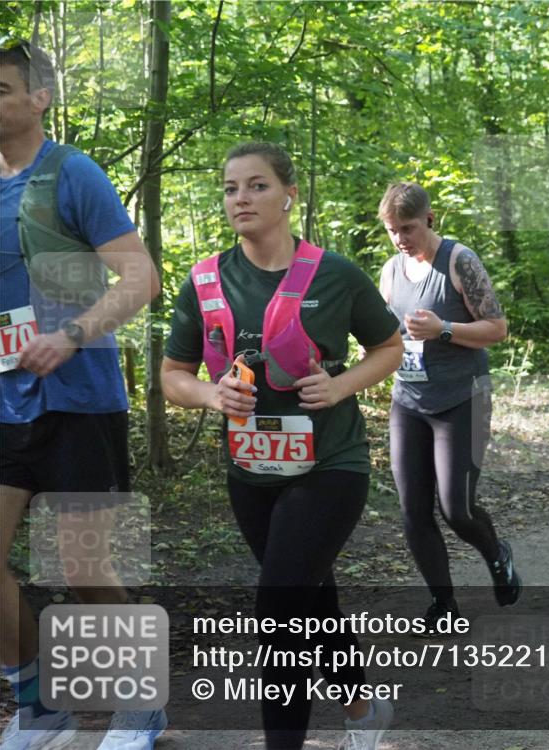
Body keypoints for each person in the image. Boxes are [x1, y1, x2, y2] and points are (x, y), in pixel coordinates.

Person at [162, 143, 402, 750]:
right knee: (309, 597)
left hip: (330, 463)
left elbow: (390, 347)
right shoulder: (206, 279)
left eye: (257, 186)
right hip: (251, 471)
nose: (240, 198)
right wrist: (211, 397)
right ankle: (360, 706)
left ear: (288, 194)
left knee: (278, 604)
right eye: (230, 188)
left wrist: (340, 384)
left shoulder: (336, 274)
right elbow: (173, 375)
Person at [0, 40, 164, 750]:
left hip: (78, 399)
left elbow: (140, 278)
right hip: (4, 403)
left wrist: (71, 334)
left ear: (40, 99)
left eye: (2, 89)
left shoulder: (72, 174)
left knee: (82, 570)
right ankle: (38, 702)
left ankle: (140, 708)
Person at [377, 182, 521, 629]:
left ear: (429, 219)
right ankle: (443, 605)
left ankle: (497, 555)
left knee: (456, 509)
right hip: (410, 401)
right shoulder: (389, 272)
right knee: (413, 511)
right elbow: (384, 339)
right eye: (392, 230)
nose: (401, 238)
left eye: (408, 227)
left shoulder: (459, 261)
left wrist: (443, 329)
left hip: (463, 398)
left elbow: (497, 329)